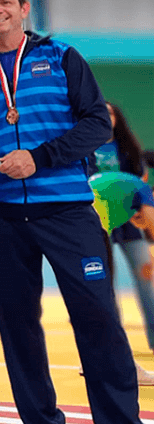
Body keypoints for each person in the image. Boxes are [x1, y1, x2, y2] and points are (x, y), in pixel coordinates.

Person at [0, 0, 141, 424]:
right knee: (18, 328)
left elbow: (97, 125)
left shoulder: (61, 57)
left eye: (4, 2)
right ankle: (39, 419)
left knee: (97, 320)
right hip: (3, 214)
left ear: (24, 8)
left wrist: (39, 158)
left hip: (67, 210)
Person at [94, 102, 154, 352]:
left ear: (118, 118)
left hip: (130, 222)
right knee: (103, 286)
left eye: (110, 112)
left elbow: (140, 186)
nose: (107, 116)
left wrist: (146, 218)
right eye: (102, 112)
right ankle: (112, 345)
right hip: (98, 224)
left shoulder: (129, 150)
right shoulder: (84, 148)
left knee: (147, 281)